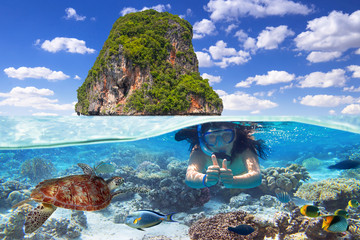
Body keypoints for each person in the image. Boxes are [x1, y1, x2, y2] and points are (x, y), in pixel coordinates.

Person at [175, 122, 267, 189]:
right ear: (203, 139)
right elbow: (189, 177)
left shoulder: (245, 147)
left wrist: (233, 181)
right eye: (211, 137)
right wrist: (205, 179)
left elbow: (256, 178)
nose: (220, 144)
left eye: (226, 135)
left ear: (235, 135)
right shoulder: (199, 150)